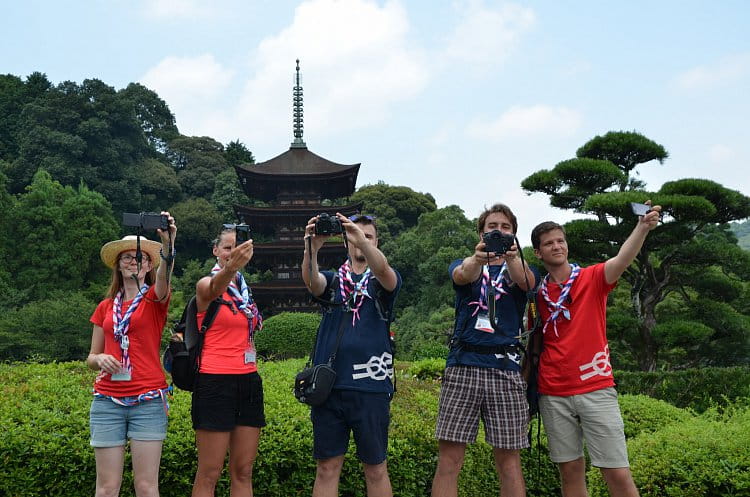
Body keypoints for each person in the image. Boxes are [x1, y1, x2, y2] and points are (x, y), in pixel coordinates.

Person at [530, 202, 661, 497]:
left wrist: (641, 228)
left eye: (560, 240)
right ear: (538, 252)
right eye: (548, 243)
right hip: (553, 389)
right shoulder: (536, 292)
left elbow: (622, 260)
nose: (556, 246)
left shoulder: (591, 278)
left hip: (595, 385)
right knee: (570, 471)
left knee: (616, 470)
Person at [432, 203, 537, 497]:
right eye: (492, 227)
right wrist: (479, 258)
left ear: (515, 235)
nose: (498, 232)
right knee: (450, 459)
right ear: (480, 232)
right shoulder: (465, 261)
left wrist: (513, 256)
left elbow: (527, 283)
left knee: (509, 460)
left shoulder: (522, 266)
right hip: (463, 364)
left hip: (506, 368)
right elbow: (462, 275)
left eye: (506, 228)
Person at [302, 213, 401, 497]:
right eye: (356, 236)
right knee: (327, 467)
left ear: (376, 241)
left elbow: (384, 271)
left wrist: (363, 242)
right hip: (329, 387)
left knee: (376, 467)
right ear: (345, 242)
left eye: (368, 236)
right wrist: (312, 247)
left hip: (371, 386)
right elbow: (312, 281)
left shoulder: (382, 281)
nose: (361, 241)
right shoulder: (334, 281)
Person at [87, 212, 177, 497]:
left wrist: (168, 247)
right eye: (126, 257)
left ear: (150, 264)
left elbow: (164, 279)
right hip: (107, 401)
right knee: (106, 487)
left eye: (140, 258)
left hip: (147, 400)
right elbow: (91, 356)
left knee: (147, 486)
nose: (133, 261)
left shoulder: (154, 299)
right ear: (117, 265)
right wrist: (100, 359)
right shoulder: (105, 307)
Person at [190, 224, 265, 497]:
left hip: (248, 380)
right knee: (209, 472)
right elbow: (213, 288)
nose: (232, 252)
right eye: (227, 247)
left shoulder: (246, 293)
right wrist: (232, 267)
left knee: (243, 471)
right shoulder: (205, 284)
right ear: (216, 251)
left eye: (238, 246)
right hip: (214, 381)